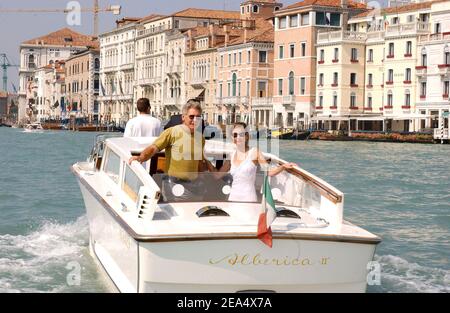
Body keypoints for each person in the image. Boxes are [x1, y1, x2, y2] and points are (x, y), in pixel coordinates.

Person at [129, 100, 206, 201]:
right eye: (191, 117)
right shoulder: (171, 132)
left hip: (194, 188)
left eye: (198, 117)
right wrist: (140, 158)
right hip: (174, 187)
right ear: (183, 117)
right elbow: (153, 148)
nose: (195, 120)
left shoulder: (200, 138)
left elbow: (199, 162)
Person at [206, 122, 296, 203]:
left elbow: (269, 172)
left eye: (241, 134)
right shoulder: (231, 156)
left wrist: (283, 167)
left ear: (247, 136)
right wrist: (205, 159)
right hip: (233, 198)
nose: (238, 137)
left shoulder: (254, 152)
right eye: (235, 135)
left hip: (249, 198)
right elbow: (217, 175)